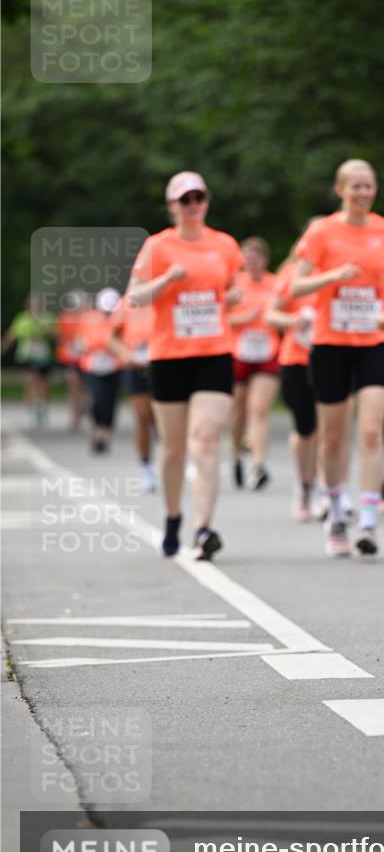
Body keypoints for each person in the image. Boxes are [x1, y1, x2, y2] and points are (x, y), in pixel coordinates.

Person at [126, 170, 244, 560]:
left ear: (207, 201)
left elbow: (233, 288)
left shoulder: (224, 244)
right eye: (185, 200)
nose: (193, 206)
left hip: (214, 353)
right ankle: (174, 516)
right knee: (174, 448)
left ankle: (204, 527)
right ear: (172, 206)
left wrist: (233, 296)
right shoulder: (158, 246)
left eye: (199, 198)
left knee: (206, 440)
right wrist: (166, 281)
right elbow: (136, 298)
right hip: (169, 356)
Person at [291, 158, 384, 557]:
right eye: (354, 186)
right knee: (332, 437)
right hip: (331, 342)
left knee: (371, 431)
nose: (362, 193)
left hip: (375, 340)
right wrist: (331, 277)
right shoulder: (322, 232)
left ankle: (368, 519)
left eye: (368, 186)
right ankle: (336, 510)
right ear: (340, 190)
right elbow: (297, 286)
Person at [266, 248, 318, 520]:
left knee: (329, 428)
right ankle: (303, 486)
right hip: (296, 359)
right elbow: (270, 314)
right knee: (304, 428)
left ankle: (322, 488)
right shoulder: (292, 274)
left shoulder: (340, 273)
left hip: (331, 358)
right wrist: (292, 320)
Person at [228, 237, 281, 490]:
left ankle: (259, 465)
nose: (252, 262)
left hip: (268, 351)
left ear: (265, 260)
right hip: (239, 351)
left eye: (256, 258)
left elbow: (284, 310)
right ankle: (237, 454)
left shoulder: (275, 283)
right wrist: (241, 320)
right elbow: (217, 317)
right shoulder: (234, 283)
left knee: (258, 409)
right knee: (238, 410)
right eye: (247, 258)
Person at [108, 295, 158, 492]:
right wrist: (125, 354)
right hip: (136, 366)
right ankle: (145, 466)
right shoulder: (126, 303)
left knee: (163, 418)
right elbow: (112, 338)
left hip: (163, 364)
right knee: (142, 416)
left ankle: (173, 461)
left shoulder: (166, 296)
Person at [76, 287, 123, 452]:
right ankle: (97, 431)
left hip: (114, 366)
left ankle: (105, 433)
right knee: (98, 400)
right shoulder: (89, 318)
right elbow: (82, 340)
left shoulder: (121, 319)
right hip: (93, 365)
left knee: (110, 402)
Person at [1, 294, 57, 429]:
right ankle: (31, 411)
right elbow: (11, 335)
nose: (35, 309)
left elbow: (56, 336)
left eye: (38, 306)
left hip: (43, 357)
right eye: (33, 306)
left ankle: (42, 409)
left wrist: (47, 332)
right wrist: (3, 347)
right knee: (30, 382)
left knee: (43, 385)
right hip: (26, 356)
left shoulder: (47, 318)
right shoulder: (22, 319)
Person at [56, 290, 88, 432]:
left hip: (84, 357)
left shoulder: (87, 318)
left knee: (83, 387)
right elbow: (60, 337)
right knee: (73, 386)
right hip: (69, 357)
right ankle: (75, 416)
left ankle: (82, 409)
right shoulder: (65, 318)